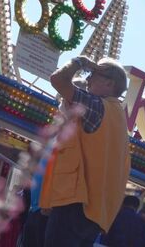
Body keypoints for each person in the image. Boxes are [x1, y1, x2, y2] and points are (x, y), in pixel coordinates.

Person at [39, 56, 131, 247]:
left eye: (93, 74)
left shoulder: (97, 106)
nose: (88, 79)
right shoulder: (119, 118)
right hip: (96, 212)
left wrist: (80, 62)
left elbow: (58, 80)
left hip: (76, 203)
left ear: (109, 83)